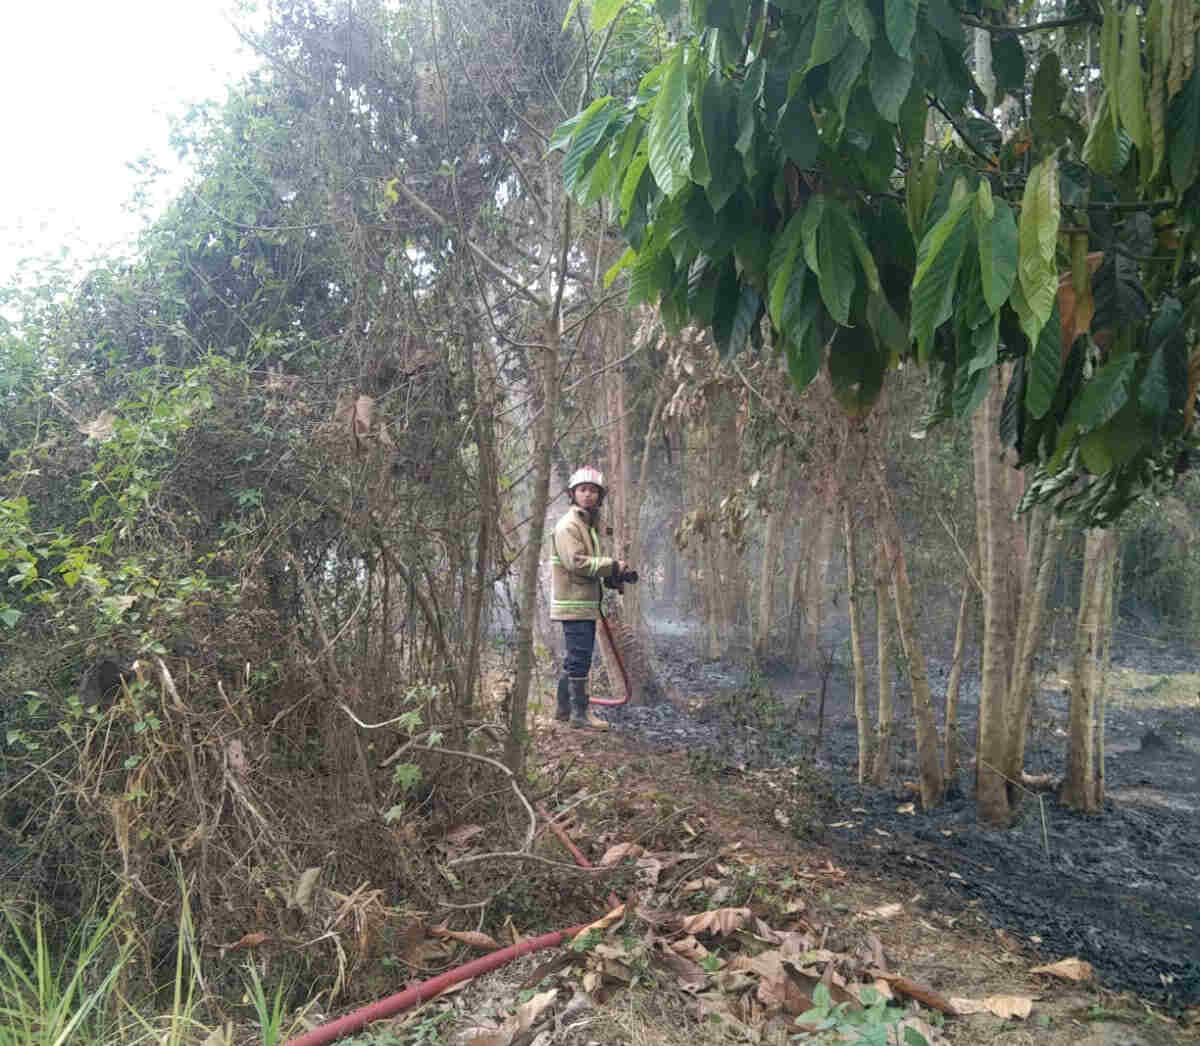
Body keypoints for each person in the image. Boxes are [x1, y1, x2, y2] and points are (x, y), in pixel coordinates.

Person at [549, 466, 629, 729]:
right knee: (581, 658)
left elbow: (590, 564)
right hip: (574, 604)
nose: (588, 495)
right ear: (573, 494)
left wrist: (612, 574)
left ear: (600, 496)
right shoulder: (569, 526)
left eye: (593, 491)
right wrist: (611, 565)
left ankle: (563, 709)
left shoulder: (588, 525)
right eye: (583, 490)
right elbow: (577, 563)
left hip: (583, 603)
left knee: (575, 657)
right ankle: (580, 715)